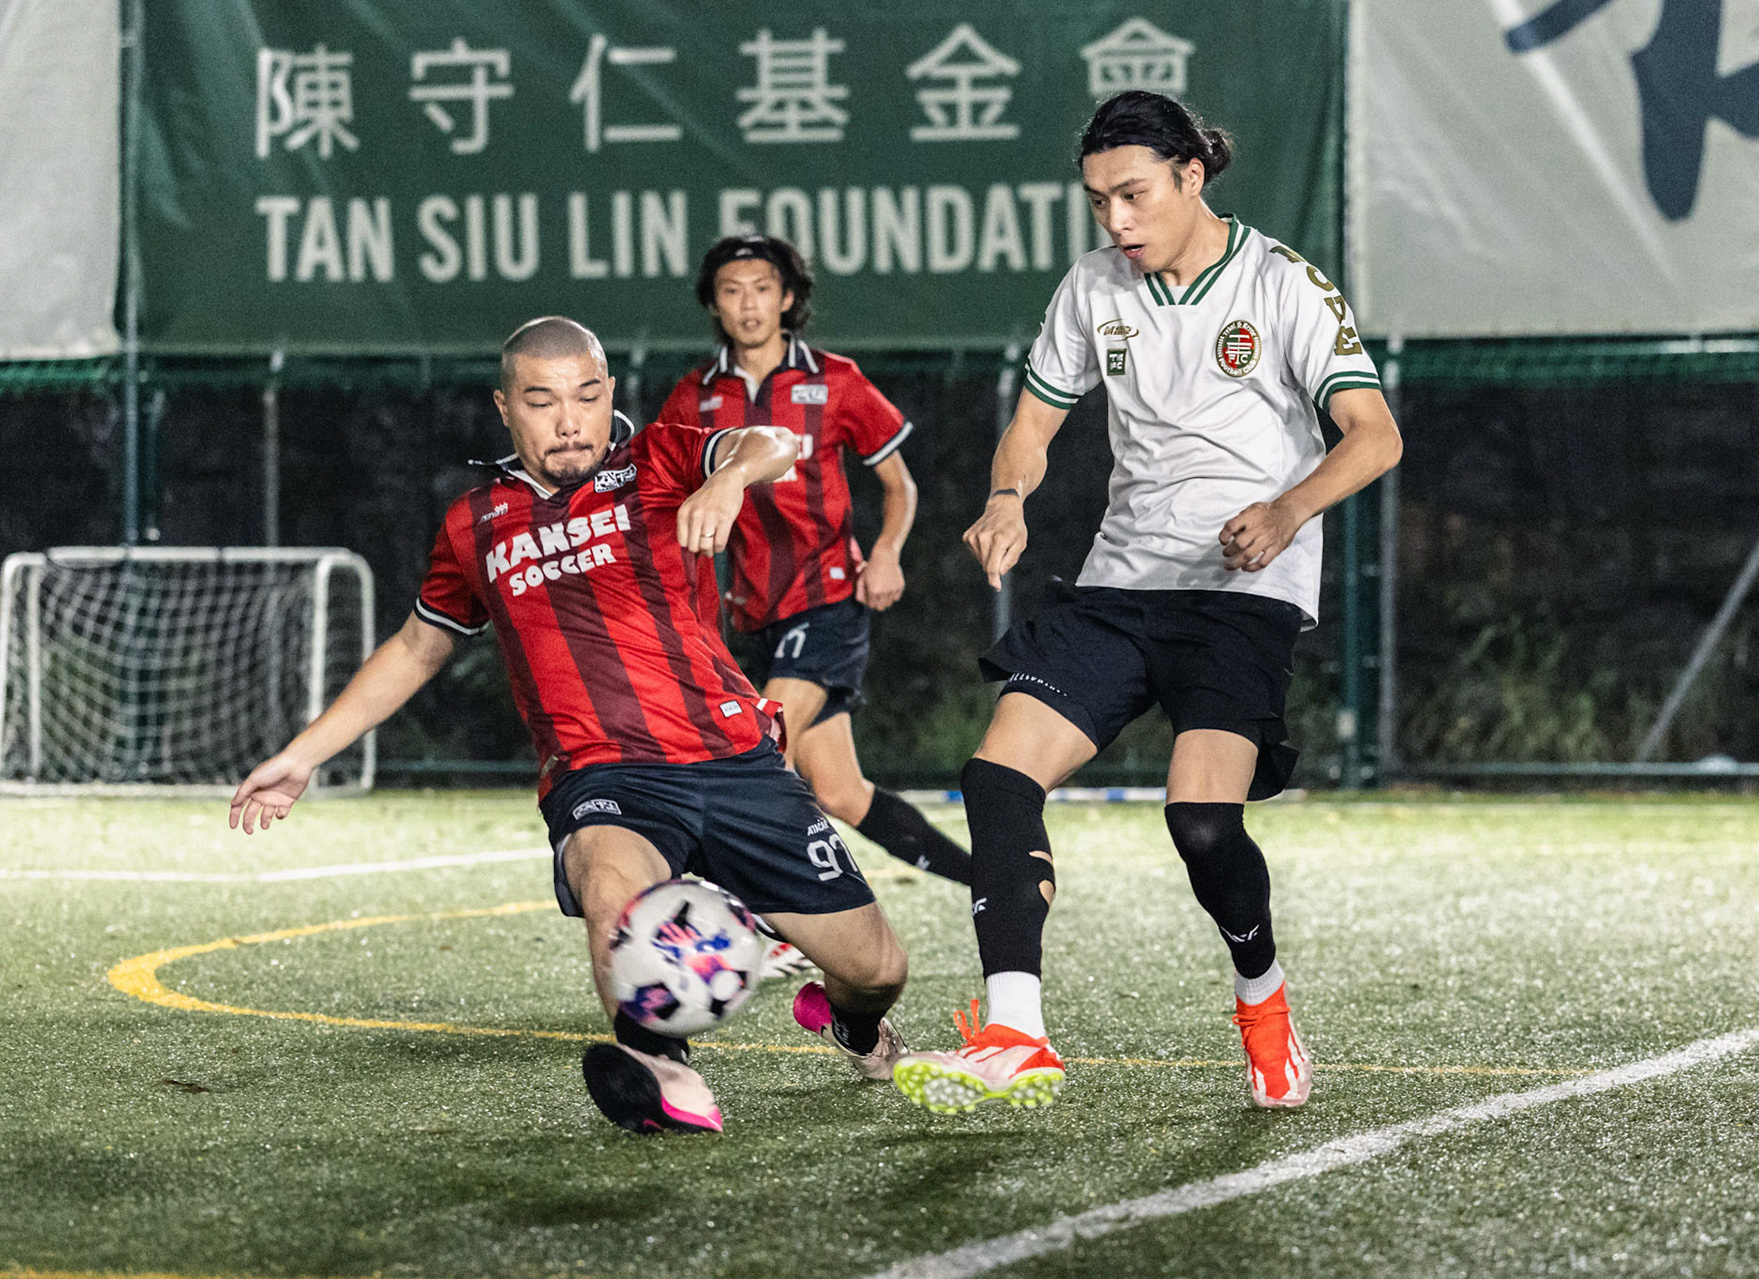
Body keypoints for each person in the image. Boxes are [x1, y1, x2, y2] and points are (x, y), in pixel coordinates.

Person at [229, 317, 911, 1137]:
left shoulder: (656, 459)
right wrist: (302, 757)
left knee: (878, 968)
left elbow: (770, 441)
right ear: (504, 408)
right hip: (602, 776)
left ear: (609, 395)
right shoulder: (474, 524)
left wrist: (728, 480)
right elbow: (416, 646)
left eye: (587, 396)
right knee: (608, 881)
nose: (569, 420)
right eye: (543, 400)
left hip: (734, 760)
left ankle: (854, 1021)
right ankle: (657, 1062)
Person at [889, 91, 1403, 1115]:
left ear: (1191, 176)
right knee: (997, 776)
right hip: (1121, 582)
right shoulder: (1092, 288)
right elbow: (1033, 423)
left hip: (1242, 592)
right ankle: (1016, 1031)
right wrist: (1004, 497)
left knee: (1204, 825)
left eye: (1133, 195)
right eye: (1098, 203)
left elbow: (1374, 434)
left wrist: (1290, 508)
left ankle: (1263, 1006)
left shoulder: (1281, 281)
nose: (1117, 221)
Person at [658, 236, 970, 893]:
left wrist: (885, 551)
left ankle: (760, 920)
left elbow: (900, 486)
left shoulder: (836, 380)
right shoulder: (695, 397)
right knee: (840, 791)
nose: (748, 303)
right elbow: (662, 496)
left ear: (789, 298)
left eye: (763, 288)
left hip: (827, 599)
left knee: (759, 748)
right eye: (732, 290)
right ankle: (987, 878)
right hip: (754, 613)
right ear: (713, 304)